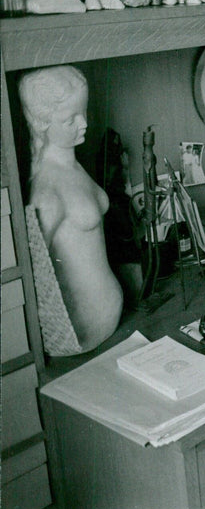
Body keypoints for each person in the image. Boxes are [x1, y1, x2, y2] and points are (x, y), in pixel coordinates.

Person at [19, 65, 123, 354]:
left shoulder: (74, 166)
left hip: (112, 322)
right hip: (81, 333)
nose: (84, 123)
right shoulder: (46, 190)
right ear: (42, 123)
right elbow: (37, 272)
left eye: (84, 112)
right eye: (69, 119)